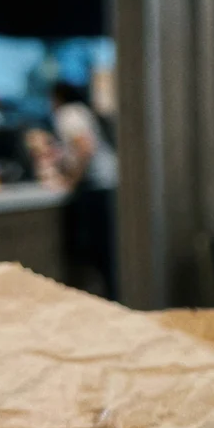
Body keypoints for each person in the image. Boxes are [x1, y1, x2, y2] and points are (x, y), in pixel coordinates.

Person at [51, 82, 118, 298]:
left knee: (93, 252)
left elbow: (85, 148)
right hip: (108, 182)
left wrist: (71, 180)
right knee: (106, 253)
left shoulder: (68, 113)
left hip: (94, 186)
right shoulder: (82, 110)